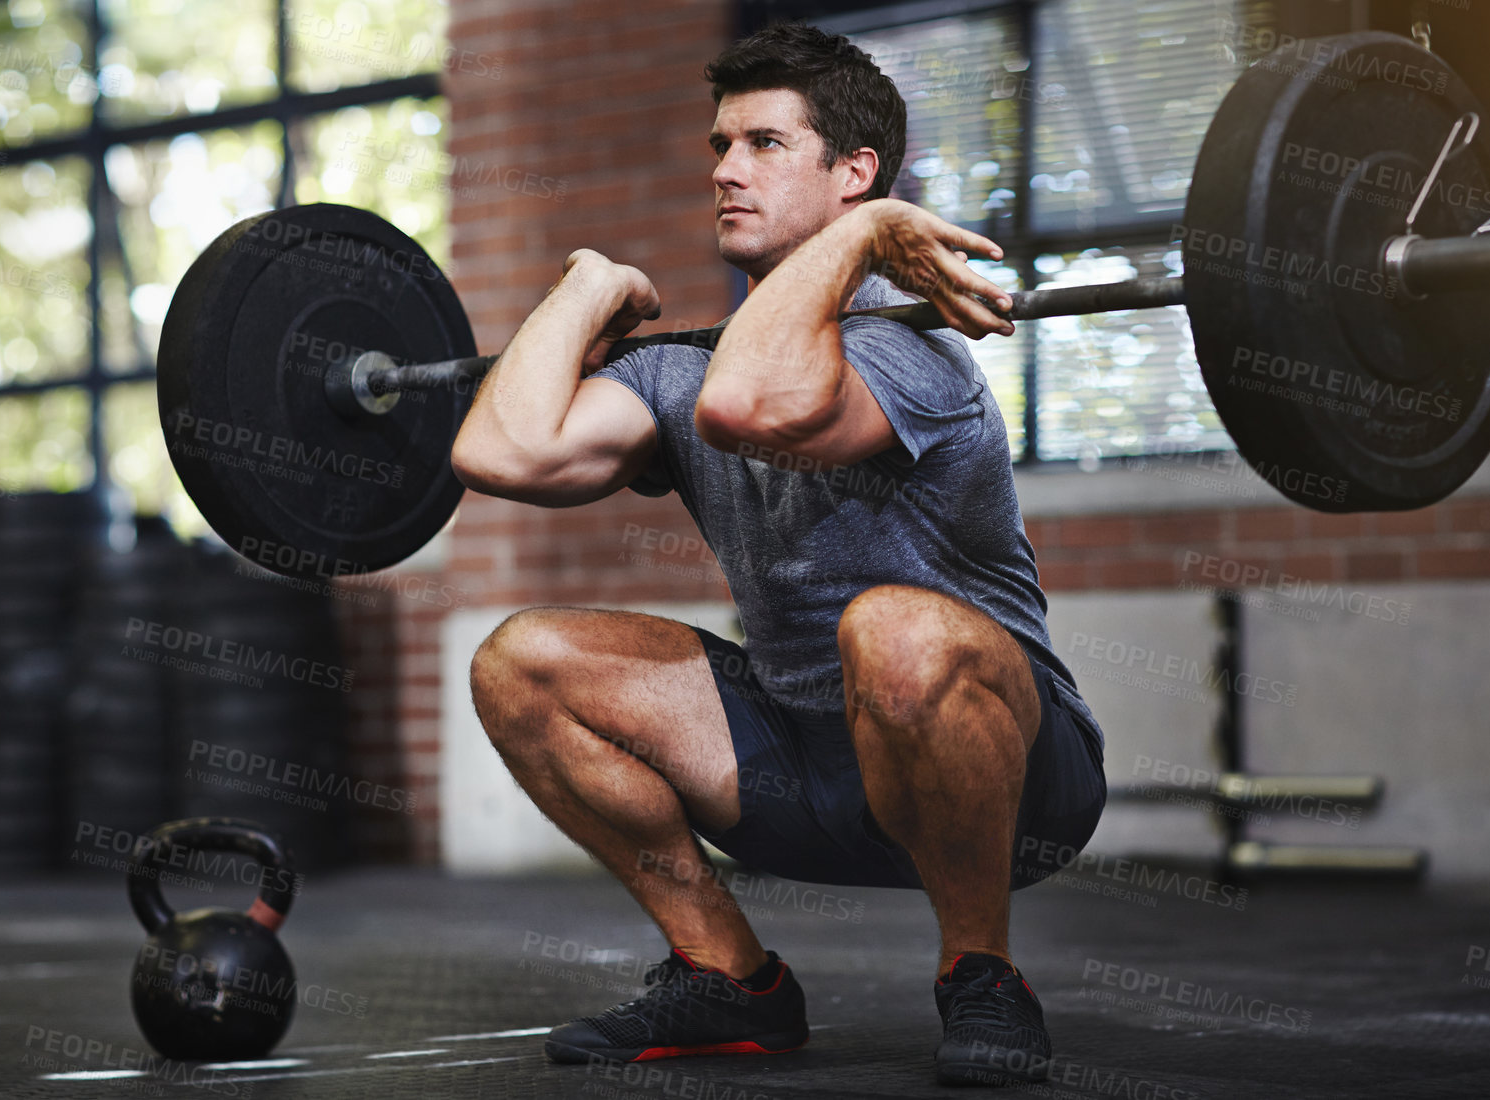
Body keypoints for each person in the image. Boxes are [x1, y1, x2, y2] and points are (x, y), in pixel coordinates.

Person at [451, 22, 1107, 1088]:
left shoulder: (915, 352)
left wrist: (864, 241)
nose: (723, 169)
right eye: (719, 144)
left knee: (888, 625)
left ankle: (980, 969)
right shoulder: (682, 371)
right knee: (519, 660)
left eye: (762, 143)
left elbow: (752, 404)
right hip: (803, 760)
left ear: (853, 173)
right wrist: (584, 284)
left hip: (1016, 780)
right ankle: (728, 977)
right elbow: (497, 449)